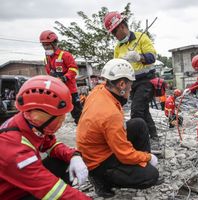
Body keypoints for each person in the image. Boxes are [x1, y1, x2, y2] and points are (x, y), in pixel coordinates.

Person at [76, 59, 160, 198]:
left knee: (138, 124)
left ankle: (141, 164)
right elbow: (124, 154)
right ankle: (102, 180)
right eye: (130, 84)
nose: (131, 88)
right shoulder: (110, 114)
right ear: (121, 84)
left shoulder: (98, 90)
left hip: (97, 147)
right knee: (151, 176)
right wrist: (148, 156)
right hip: (98, 162)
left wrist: (142, 159)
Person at [0, 75, 90, 199]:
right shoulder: (14, 149)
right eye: (59, 118)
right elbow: (51, 190)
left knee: (62, 160)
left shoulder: (28, 123)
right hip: (12, 194)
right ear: (39, 117)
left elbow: (51, 144)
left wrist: (73, 156)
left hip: (22, 184)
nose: (61, 122)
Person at [103, 11, 158, 141]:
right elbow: (116, 66)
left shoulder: (141, 37)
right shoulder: (118, 47)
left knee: (136, 110)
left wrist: (139, 57)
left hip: (146, 81)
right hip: (131, 84)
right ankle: (153, 135)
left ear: (122, 26)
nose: (114, 36)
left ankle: (137, 139)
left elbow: (152, 57)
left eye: (114, 32)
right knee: (143, 110)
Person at [39, 30, 82, 124]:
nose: (46, 47)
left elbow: (74, 69)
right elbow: (49, 73)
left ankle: (85, 132)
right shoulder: (46, 59)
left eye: (47, 45)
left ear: (54, 43)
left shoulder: (65, 55)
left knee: (78, 115)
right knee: (53, 115)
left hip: (70, 91)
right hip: (56, 91)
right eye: (44, 45)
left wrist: (64, 78)